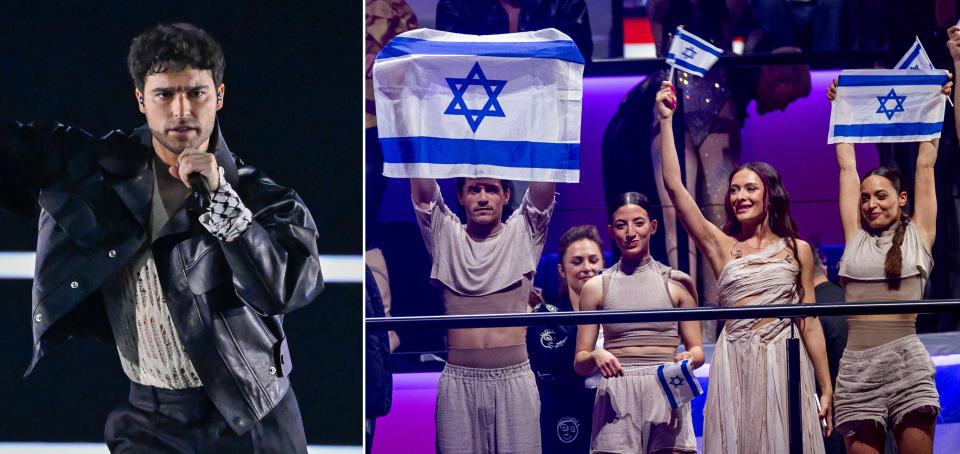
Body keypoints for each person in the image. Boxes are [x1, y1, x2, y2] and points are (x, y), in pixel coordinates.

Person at [0, 23, 322, 453]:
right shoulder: (92, 173)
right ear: (141, 100)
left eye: (196, 92)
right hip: (150, 419)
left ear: (220, 96)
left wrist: (222, 201)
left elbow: (285, 290)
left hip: (248, 417)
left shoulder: (264, 198)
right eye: (165, 94)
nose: (181, 110)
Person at [656, 80, 834, 453]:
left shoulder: (796, 249)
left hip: (784, 356)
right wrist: (666, 121)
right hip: (735, 357)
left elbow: (810, 320)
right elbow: (674, 187)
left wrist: (826, 384)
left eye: (749, 188)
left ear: (770, 194)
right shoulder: (722, 246)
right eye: (734, 189)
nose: (739, 196)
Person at [827, 72, 953, 454]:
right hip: (856, 370)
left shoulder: (919, 235)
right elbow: (847, 168)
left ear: (901, 199)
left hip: (907, 365)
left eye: (880, 196)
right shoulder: (855, 237)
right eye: (865, 198)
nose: (870, 204)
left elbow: (926, 166)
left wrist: (935, 107)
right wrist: (839, 108)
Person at [410, 176, 556, 453]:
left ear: (505, 195)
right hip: (459, 384)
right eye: (474, 189)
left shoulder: (524, 231)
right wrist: (414, 132)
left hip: (515, 382)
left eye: (491, 189)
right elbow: (423, 193)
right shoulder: (445, 234)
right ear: (461, 197)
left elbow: (545, 186)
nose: (483, 197)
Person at [574, 192, 704, 454]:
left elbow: (698, 351)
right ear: (611, 231)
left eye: (639, 223)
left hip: (667, 388)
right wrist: (598, 355)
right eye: (621, 225)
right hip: (618, 394)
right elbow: (580, 362)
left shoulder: (678, 282)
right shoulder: (596, 287)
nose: (630, 232)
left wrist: (688, 357)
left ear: (653, 227)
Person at [526, 224, 605, 452]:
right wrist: (587, 319)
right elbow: (552, 369)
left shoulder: (618, 315)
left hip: (616, 417)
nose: (587, 268)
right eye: (577, 261)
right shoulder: (546, 314)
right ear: (562, 270)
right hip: (566, 424)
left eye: (593, 260)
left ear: (603, 264)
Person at [812, 247, 848, 454]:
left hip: (826, 422)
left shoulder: (805, 317)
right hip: (864, 416)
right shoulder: (853, 301)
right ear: (824, 271)